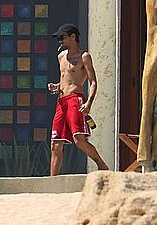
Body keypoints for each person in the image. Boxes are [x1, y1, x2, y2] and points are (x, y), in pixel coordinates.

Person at [48, 23, 109, 176]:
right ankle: (51, 181)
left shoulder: (84, 56)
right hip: (61, 102)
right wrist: (56, 86)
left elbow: (93, 82)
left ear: (73, 37)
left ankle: (102, 165)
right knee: (55, 144)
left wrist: (88, 103)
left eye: (62, 37)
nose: (60, 41)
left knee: (79, 140)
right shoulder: (61, 56)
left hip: (76, 100)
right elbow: (65, 80)